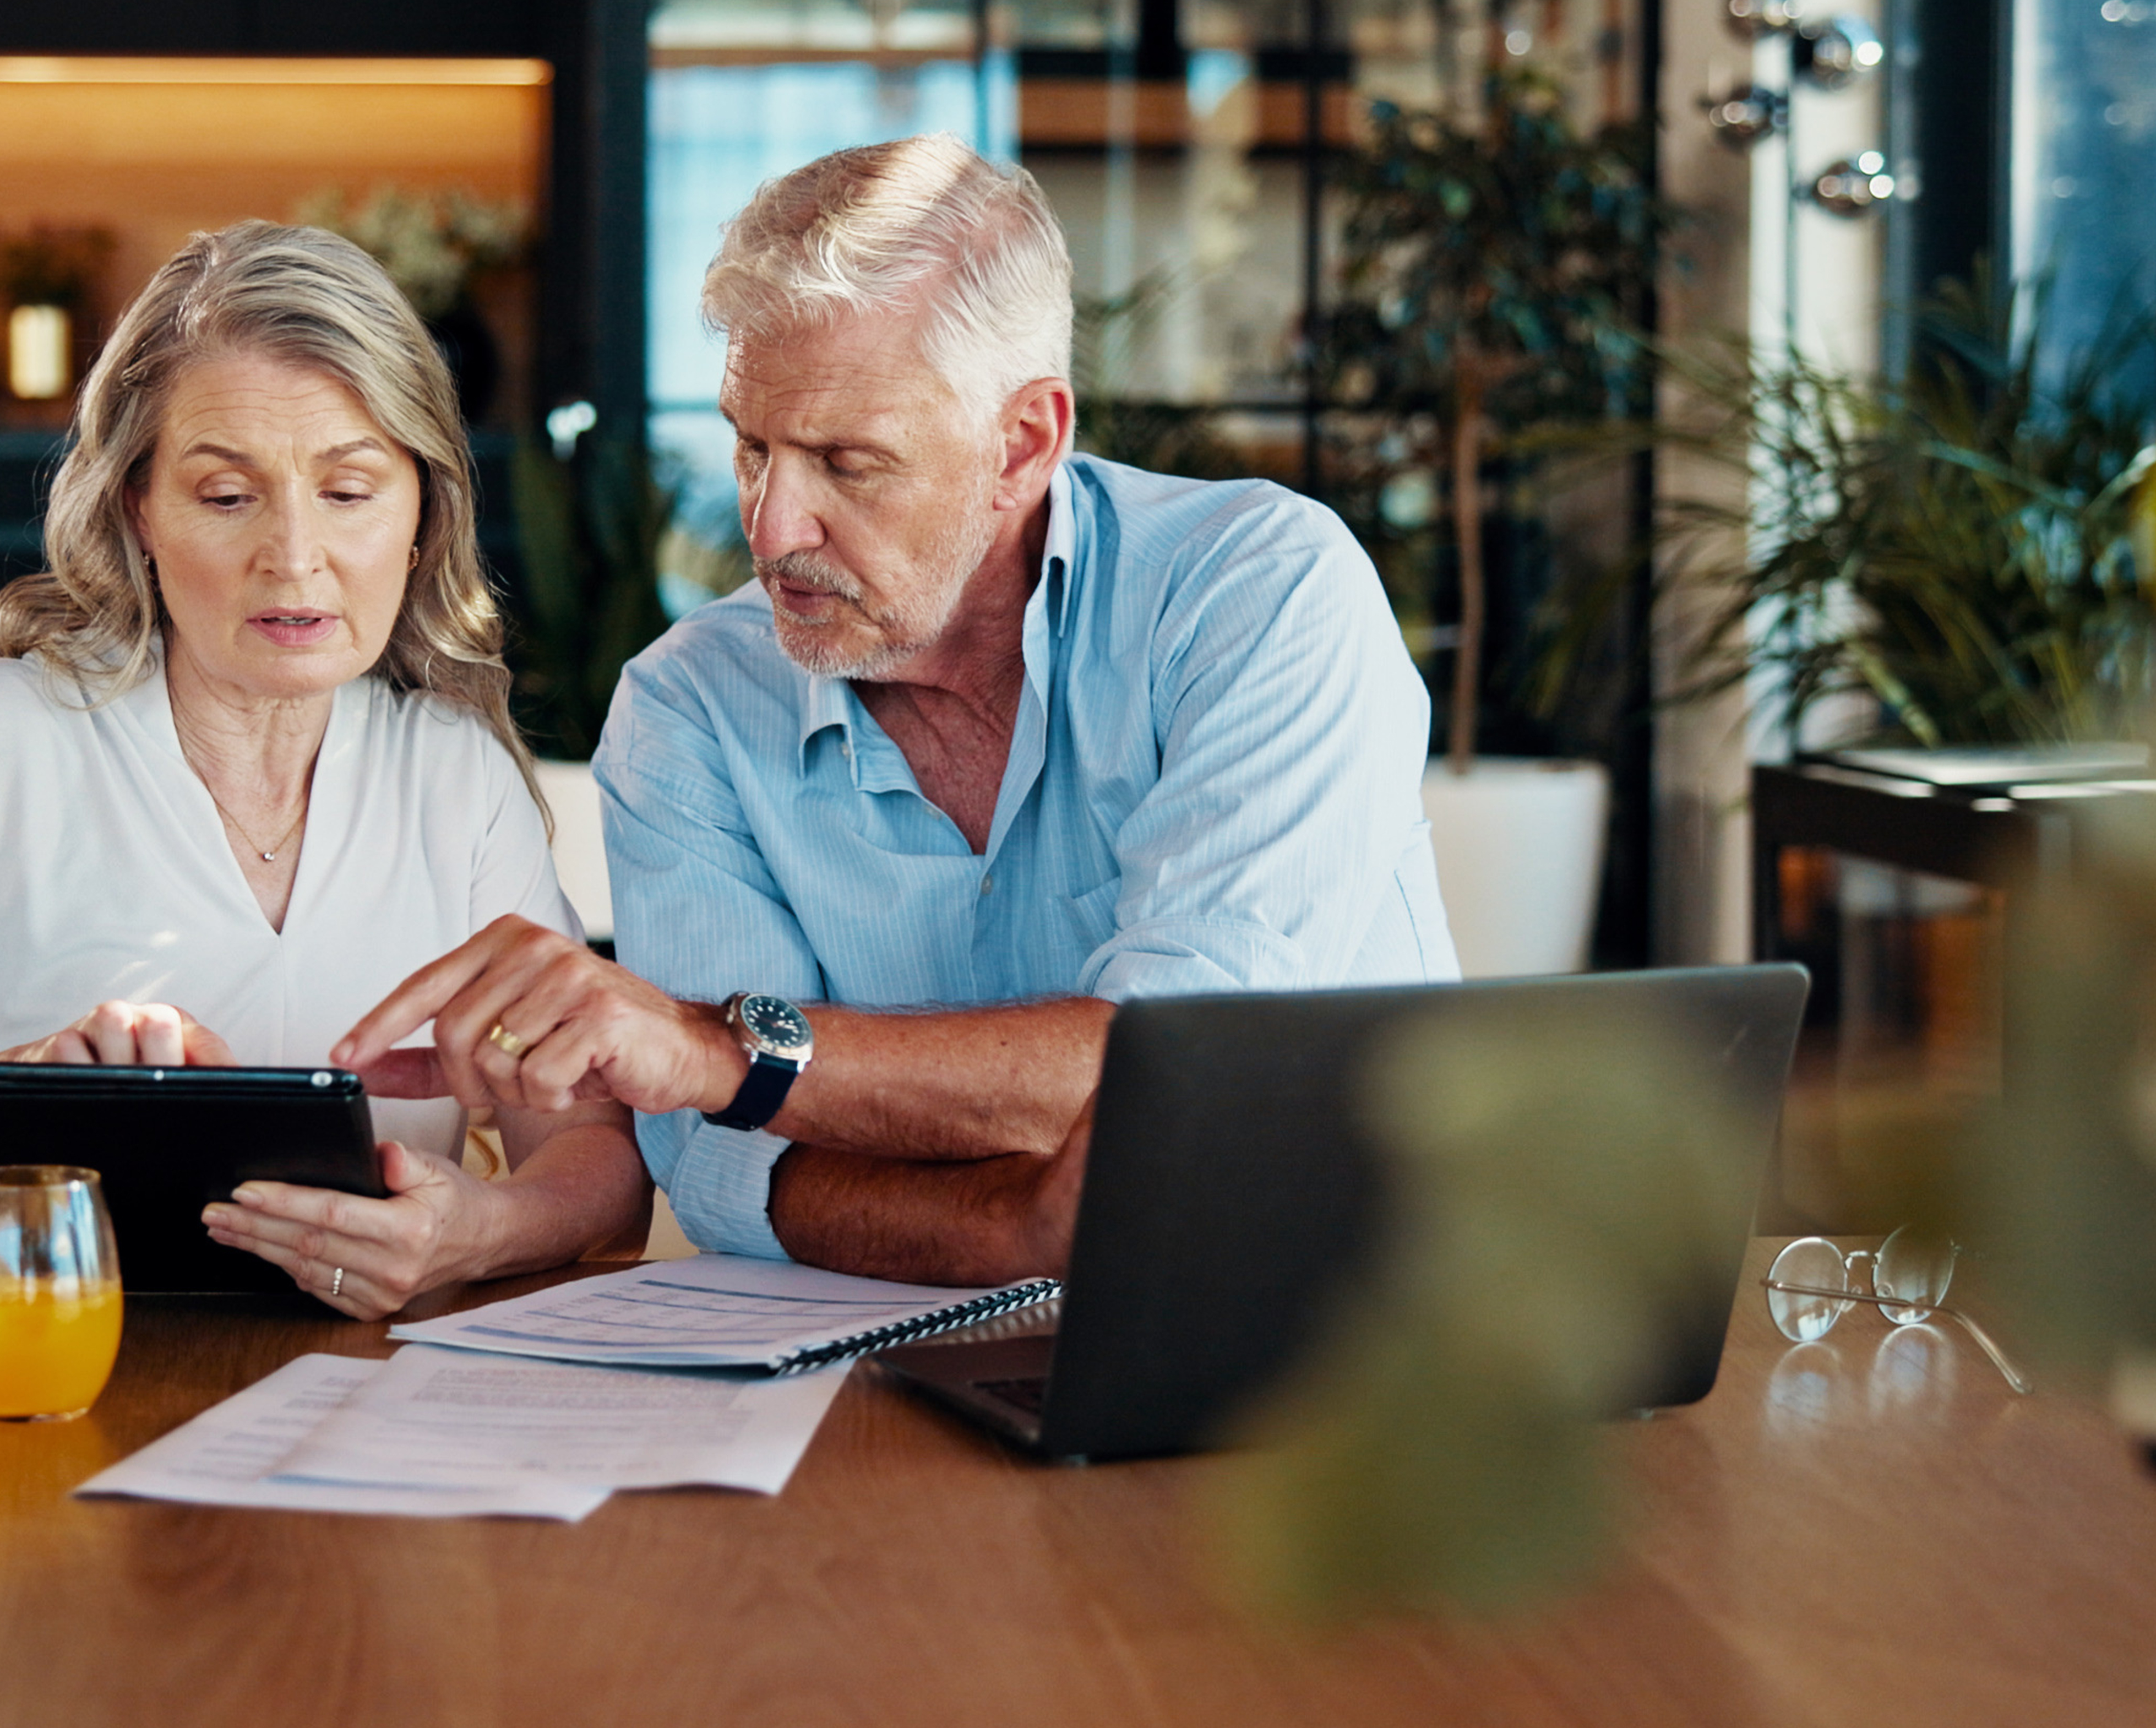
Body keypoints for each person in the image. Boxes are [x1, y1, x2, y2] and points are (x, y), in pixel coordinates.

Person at [336, 134, 1454, 1286]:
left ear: (1023, 442)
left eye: (847, 463)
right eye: (752, 448)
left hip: (1359, 1347)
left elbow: (1183, 1067)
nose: (771, 531)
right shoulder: (690, 709)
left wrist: (724, 1048)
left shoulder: (1256, 590)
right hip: (905, 1360)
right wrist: (1016, 1229)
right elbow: (721, 1167)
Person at [0, 221, 645, 1314]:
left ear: (423, 514)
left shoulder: (456, 779)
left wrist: (483, 1229)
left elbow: (593, 1156)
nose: (295, 554)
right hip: (21, 1394)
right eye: (228, 496)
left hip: (361, 1400)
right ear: (138, 510)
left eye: (351, 490)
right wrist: (10, 1097)